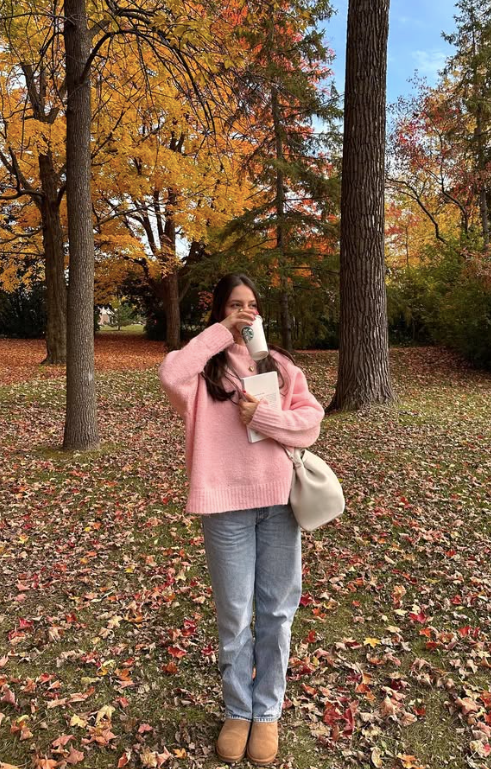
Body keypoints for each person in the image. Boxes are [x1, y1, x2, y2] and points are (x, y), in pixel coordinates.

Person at [158, 273, 324, 766]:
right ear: (219, 311)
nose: (246, 313)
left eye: (252, 306)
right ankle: (237, 710)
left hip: (278, 504)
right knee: (234, 616)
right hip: (224, 507)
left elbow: (310, 422)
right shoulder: (201, 373)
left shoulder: (281, 366)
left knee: (276, 612)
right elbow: (169, 373)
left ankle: (266, 712)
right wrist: (221, 332)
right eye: (235, 305)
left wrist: (265, 419)